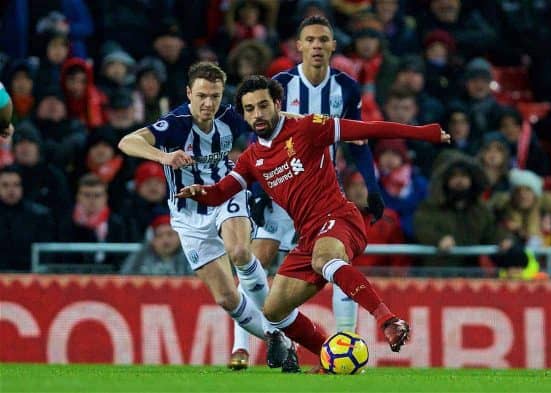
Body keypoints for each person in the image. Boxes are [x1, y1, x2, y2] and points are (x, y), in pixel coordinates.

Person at [176, 75, 450, 371]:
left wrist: (427, 133)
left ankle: (388, 320)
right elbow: (220, 192)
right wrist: (199, 193)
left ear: (278, 104)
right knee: (274, 311)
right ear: (244, 114)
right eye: (250, 109)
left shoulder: (307, 127)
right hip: (309, 237)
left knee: (324, 259)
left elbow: (371, 128)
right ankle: (327, 354)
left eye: (264, 105)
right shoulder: (251, 158)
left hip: (339, 219)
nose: (258, 114)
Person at [118, 61, 298, 372]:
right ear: (189, 93)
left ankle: (279, 319)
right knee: (227, 298)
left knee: (241, 252)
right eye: (201, 95)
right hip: (188, 215)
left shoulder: (230, 116)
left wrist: (327, 129)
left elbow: (277, 119)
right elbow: (127, 142)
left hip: (226, 195)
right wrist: (164, 156)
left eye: (214, 96)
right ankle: (277, 338)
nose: (208, 103)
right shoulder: (175, 123)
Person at [248, 16, 385, 351]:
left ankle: (347, 337)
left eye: (324, 40)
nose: (317, 46)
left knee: (336, 259)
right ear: (299, 46)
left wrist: (372, 186)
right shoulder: (280, 84)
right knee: (257, 258)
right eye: (310, 40)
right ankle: (263, 340)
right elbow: (260, 140)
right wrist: (256, 191)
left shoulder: (347, 88)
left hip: (322, 192)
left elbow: (359, 141)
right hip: (282, 188)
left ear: (333, 46)